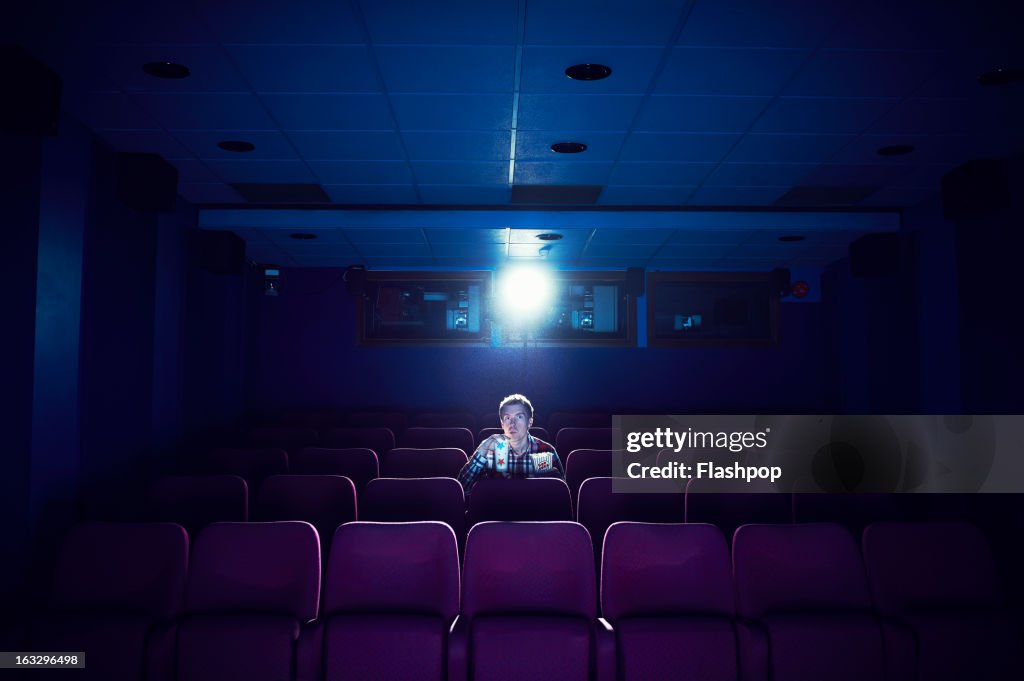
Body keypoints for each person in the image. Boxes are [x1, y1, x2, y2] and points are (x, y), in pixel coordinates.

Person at [457, 394, 563, 496]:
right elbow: (462, 489)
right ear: (502, 423)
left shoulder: (547, 451)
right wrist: (482, 450)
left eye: (519, 417)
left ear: (530, 422)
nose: (512, 424)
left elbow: (561, 495)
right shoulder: (489, 453)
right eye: (507, 418)